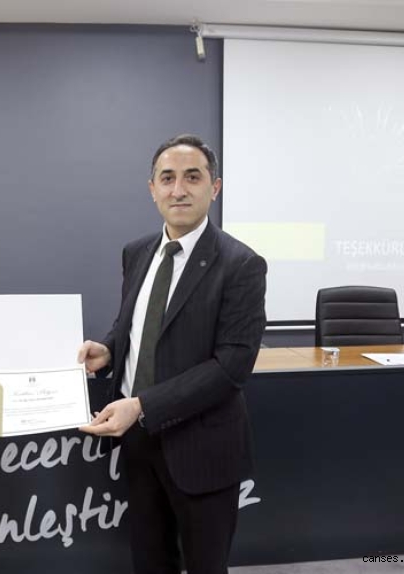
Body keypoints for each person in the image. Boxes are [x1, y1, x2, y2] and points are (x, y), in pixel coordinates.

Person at [78, 134, 267, 574]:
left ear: (214, 187)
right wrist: (109, 349)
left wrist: (142, 404)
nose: (178, 190)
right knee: (150, 560)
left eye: (192, 177)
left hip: (203, 448)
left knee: (206, 565)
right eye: (167, 178)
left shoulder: (241, 265)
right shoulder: (137, 252)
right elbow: (135, 322)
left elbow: (231, 368)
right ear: (152, 189)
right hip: (139, 443)